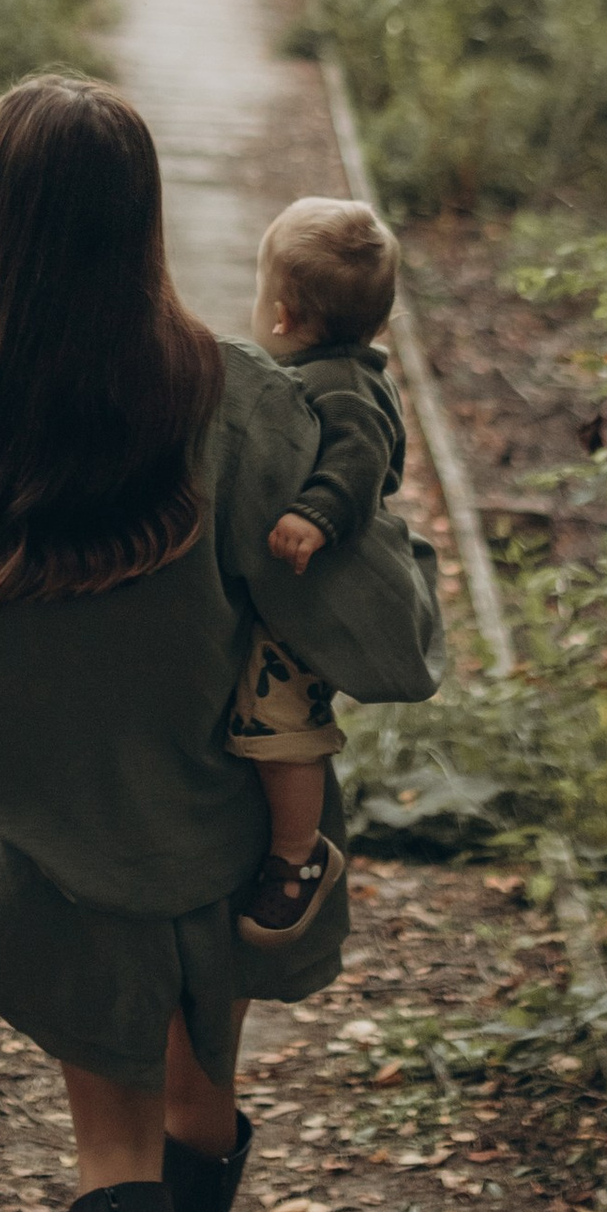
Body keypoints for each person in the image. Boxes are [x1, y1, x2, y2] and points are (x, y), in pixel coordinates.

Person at [0, 75, 443, 1212]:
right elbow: (379, 641)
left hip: (58, 835)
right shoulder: (239, 398)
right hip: (217, 835)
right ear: (141, 219)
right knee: (200, 1122)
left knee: (115, 1147)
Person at [227, 196, 407, 954]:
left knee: (284, 721)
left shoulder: (337, 384)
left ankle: (298, 857)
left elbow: (360, 457)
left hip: (316, 590)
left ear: (282, 313)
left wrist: (316, 512)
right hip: (298, 587)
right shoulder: (328, 368)